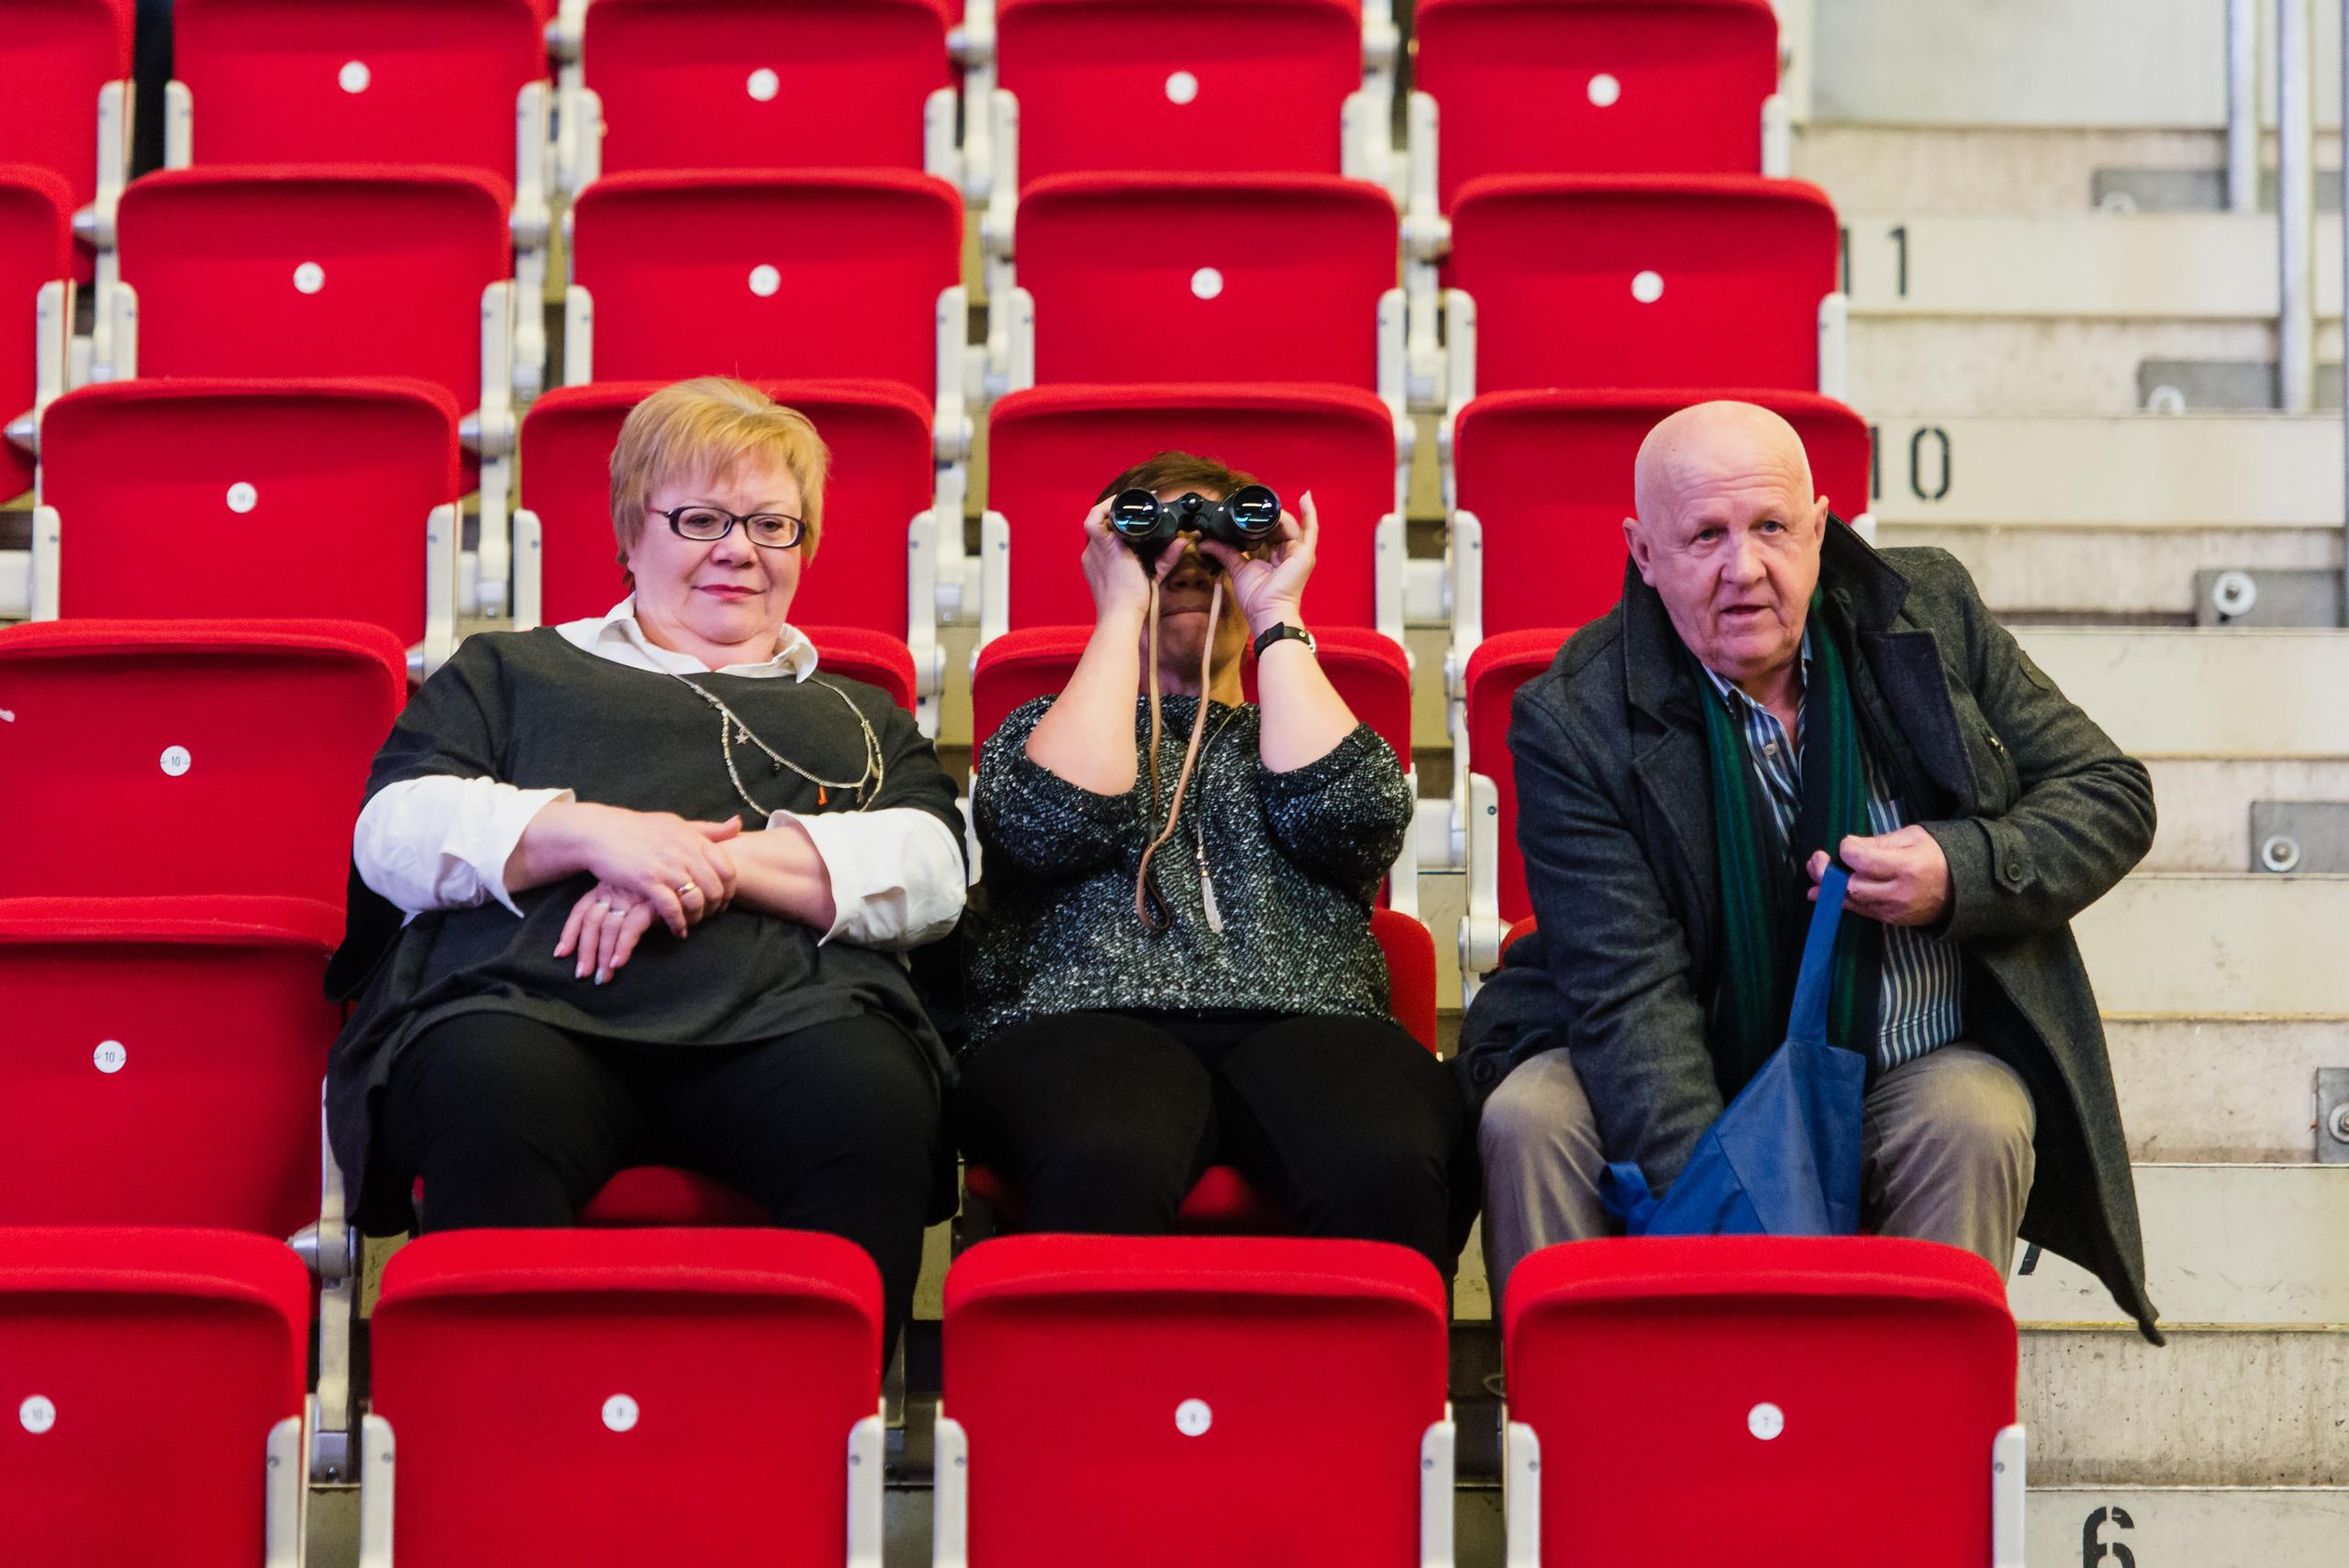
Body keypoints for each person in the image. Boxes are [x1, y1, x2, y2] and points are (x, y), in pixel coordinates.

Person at [1470, 400, 2160, 1340]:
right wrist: (1746, 1242)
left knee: (1978, 1113)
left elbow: (2107, 791)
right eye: (1703, 535)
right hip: (1683, 1051)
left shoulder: (1926, 613)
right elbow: (1630, 1002)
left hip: (1901, 1054)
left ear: (1821, 524)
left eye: (1770, 528)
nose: (1742, 569)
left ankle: (1910, 1447)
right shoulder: (1573, 718)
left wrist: (1959, 869)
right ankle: (1580, 1442)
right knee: (1529, 1118)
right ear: (1641, 553)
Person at [324, 377, 966, 1351]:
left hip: (792, 1024)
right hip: (531, 1006)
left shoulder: (860, 713)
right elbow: (394, 831)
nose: (738, 550)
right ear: (632, 531)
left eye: (771, 524)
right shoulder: (511, 672)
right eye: (701, 517)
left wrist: (702, 862)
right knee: (485, 1085)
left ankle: (820, 1441)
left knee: (874, 1100)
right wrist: (594, 834)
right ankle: (511, 1430)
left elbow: (931, 869)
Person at [957, 452, 1472, 1276]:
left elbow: (1356, 818)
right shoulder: (1043, 727)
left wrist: (1274, 609)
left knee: (1383, 1156)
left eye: (1216, 547)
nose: (1188, 561)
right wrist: (1123, 605)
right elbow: (1049, 824)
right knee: (1103, 1151)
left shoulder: (1296, 725)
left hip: (1313, 1020)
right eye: (1157, 538)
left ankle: (1370, 1402)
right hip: (1083, 1017)